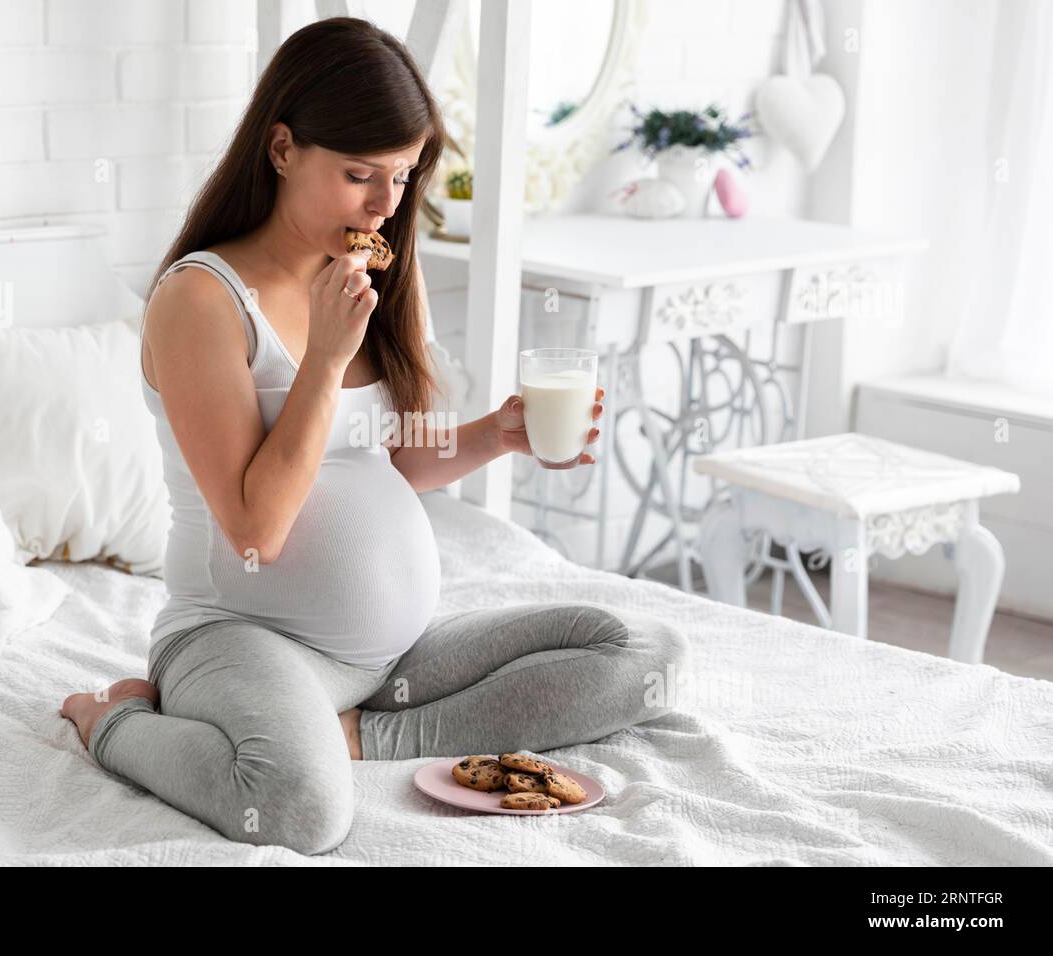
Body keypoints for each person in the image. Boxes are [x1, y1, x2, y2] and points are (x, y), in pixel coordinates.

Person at [61, 16, 689, 856]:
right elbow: (256, 528)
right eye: (360, 174)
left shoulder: (376, 273)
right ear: (281, 149)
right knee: (300, 811)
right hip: (240, 637)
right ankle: (114, 720)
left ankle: (356, 735)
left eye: (402, 176)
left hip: (392, 656)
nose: (385, 206)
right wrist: (323, 359)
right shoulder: (202, 301)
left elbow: (394, 454)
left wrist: (499, 435)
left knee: (644, 650)